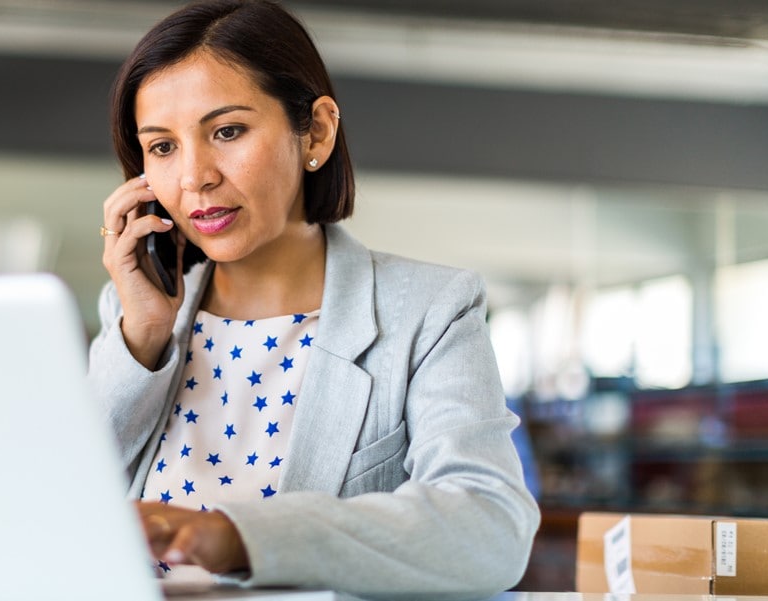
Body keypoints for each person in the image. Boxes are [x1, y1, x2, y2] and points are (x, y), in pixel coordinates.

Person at [87, 1, 540, 598]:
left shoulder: (429, 311)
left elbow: (491, 530)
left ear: (317, 132)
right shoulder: (131, 316)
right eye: (162, 147)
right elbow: (60, 508)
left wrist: (237, 536)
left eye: (227, 131)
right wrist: (140, 338)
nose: (194, 176)